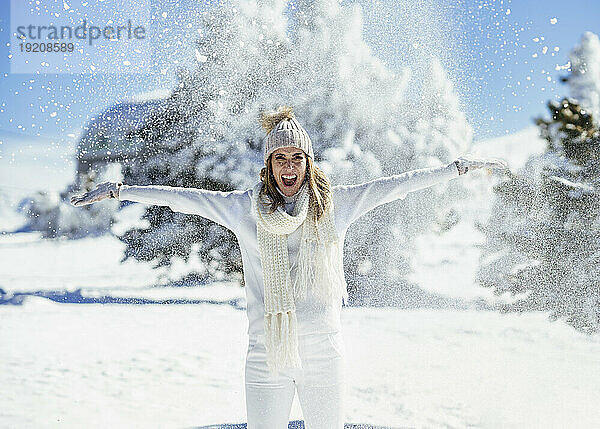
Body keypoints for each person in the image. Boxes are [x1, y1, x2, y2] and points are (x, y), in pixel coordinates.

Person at [71, 106, 507, 428]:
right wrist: (122, 191)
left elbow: (399, 187)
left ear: (308, 163)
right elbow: (181, 196)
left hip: (323, 354)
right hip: (266, 355)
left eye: (297, 157)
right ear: (268, 166)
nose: (288, 166)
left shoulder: (336, 206)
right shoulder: (244, 209)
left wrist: (456, 169)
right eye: (280, 158)